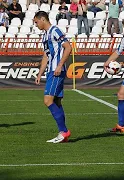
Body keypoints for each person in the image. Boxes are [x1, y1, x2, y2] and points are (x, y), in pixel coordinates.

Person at [34, 11, 72, 143]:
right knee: (56, 102)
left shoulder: (55, 30)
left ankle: (64, 131)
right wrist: (40, 74)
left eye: (36, 21)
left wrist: (59, 65)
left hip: (57, 71)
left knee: (47, 100)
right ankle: (63, 134)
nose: (36, 24)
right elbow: (46, 56)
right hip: (52, 70)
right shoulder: (45, 36)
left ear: (43, 19)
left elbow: (68, 47)